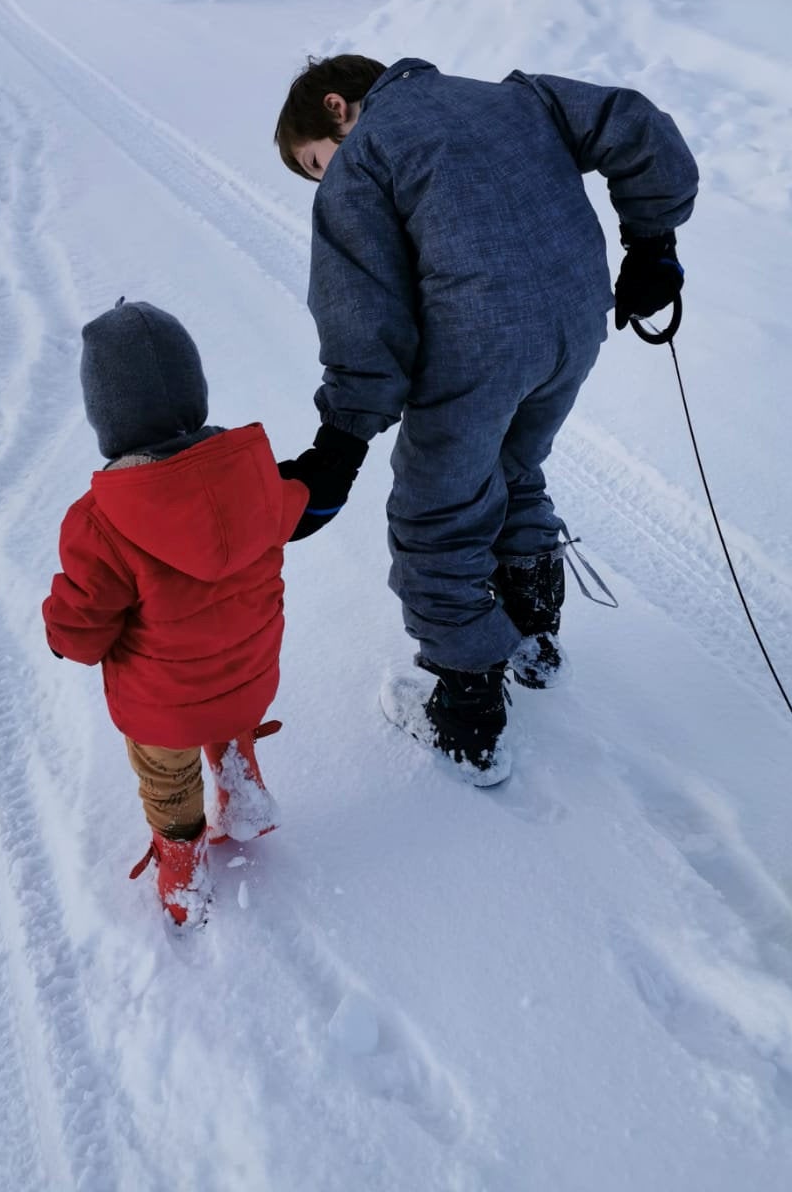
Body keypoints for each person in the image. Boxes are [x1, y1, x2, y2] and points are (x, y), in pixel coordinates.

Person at [274, 55, 699, 787]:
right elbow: (633, 123)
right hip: (575, 322)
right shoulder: (514, 98)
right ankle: (533, 638)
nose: (325, 181)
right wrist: (653, 244)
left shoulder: (367, 153)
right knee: (511, 467)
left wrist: (341, 441)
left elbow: (362, 309)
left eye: (316, 163)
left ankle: (469, 717)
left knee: (438, 510)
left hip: (480, 347)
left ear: (338, 107)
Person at [43, 298, 308, 927]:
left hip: (162, 710)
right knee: (223, 712)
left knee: (168, 780)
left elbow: (81, 632)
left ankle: (184, 874)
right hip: (248, 679)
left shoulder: (101, 523)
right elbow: (299, 505)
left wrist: (59, 635)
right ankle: (241, 786)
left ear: (104, 419)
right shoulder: (258, 481)